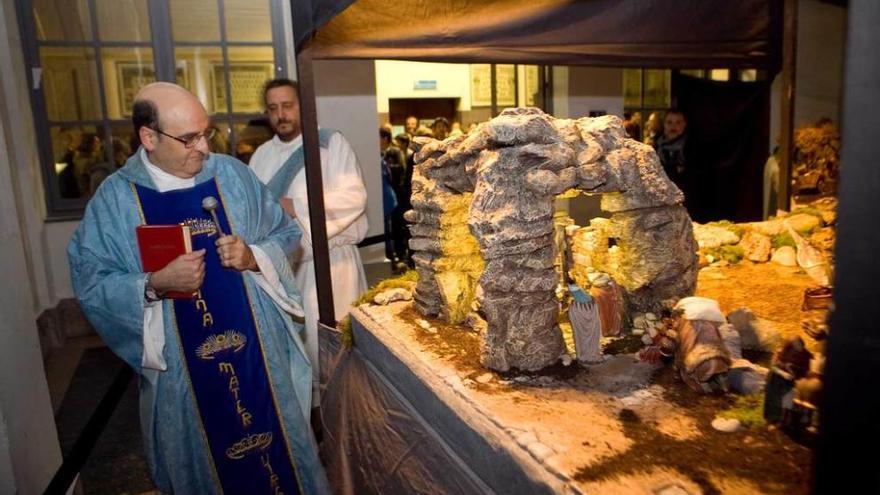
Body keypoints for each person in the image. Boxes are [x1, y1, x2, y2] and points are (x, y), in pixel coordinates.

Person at [68, 82, 328, 494]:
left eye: (206, 133)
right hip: (183, 374)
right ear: (148, 137)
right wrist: (154, 284)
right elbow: (92, 282)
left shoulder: (231, 175)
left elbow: (285, 232)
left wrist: (252, 256)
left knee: (282, 457)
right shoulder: (116, 201)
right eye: (189, 138)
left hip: (258, 358)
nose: (203, 148)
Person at [249, 78, 368, 400]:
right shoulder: (261, 156)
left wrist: (296, 207)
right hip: (284, 268)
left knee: (331, 349)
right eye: (273, 108)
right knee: (300, 353)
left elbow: (354, 197)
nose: (281, 114)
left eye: (287, 105)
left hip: (331, 266)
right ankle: (311, 424)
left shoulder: (329, 143)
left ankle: (345, 419)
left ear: (303, 106)